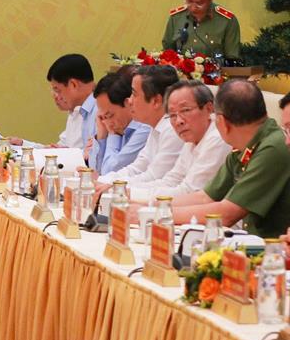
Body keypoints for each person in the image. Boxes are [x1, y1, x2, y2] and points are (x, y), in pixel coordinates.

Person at [167, 80, 290, 238]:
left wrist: (160, 213)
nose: (287, 139)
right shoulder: (245, 145)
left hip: (271, 248)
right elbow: (205, 197)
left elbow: (227, 214)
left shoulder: (273, 147)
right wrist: (151, 207)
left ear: (221, 122)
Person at [124, 80, 229, 203]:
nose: (179, 121)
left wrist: (132, 194)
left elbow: (189, 192)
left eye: (185, 110)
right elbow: (172, 180)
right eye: (173, 115)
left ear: (209, 108)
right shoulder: (191, 139)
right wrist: (125, 190)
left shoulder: (217, 138)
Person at [97, 65, 183, 187]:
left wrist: (110, 185)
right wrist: (102, 181)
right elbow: (136, 168)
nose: (129, 100)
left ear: (156, 101)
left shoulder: (172, 130)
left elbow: (153, 177)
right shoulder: (156, 127)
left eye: (134, 94)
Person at [161, 0, 241, 61]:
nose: (193, 8)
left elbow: (232, 60)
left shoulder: (227, 21)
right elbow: (167, 54)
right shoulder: (176, 17)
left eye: (199, 3)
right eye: (189, 1)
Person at [88, 68, 151, 175]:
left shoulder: (144, 128)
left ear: (127, 103)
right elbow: (94, 169)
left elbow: (109, 171)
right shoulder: (118, 126)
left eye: (110, 115)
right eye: (103, 117)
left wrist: (113, 135)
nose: (107, 122)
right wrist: (101, 136)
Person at [46, 54, 97, 151]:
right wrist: (24, 144)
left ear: (73, 84)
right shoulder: (75, 109)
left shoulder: (101, 110)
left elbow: (94, 154)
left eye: (57, 90)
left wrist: (69, 153)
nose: (55, 96)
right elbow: (60, 147)